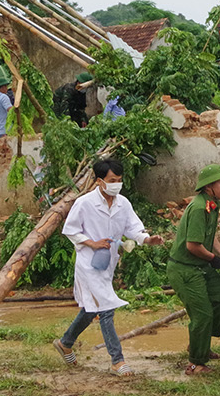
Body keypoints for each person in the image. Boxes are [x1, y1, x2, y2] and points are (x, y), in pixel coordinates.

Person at [53, 158, 165, 375]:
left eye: (120, 180)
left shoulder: (123, 203)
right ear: (99, 181)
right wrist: (92, 243)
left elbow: (133, 228)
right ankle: (117, 360)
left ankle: (65, 342)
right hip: (88, 263)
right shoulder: (84, 203)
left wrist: (147, 239)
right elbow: (70, 230)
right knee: (106, 308)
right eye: (112, 180)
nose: (117, 184)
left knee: (90, 309)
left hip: (107, 264)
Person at [166, 164, 220, 375]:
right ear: (209, 186)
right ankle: (195, 363)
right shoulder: (199, 208)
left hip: (200, 265)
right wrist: (213, 258)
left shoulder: (212, 205)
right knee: (203, 314)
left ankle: (201, 342)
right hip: (185, 269)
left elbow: (211, 236)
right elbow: (193, 246)